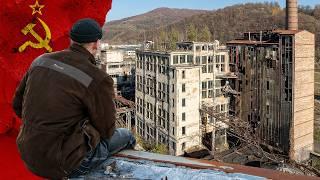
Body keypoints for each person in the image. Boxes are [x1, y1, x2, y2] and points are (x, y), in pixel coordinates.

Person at [12, 18, 136, 179]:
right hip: (64, 164)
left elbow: (17, 105)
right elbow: (107, 130)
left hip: (28, 154)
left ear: (72, 40)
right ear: (96, 44)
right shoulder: (97, 78)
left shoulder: (40, 61)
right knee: (126, 136)